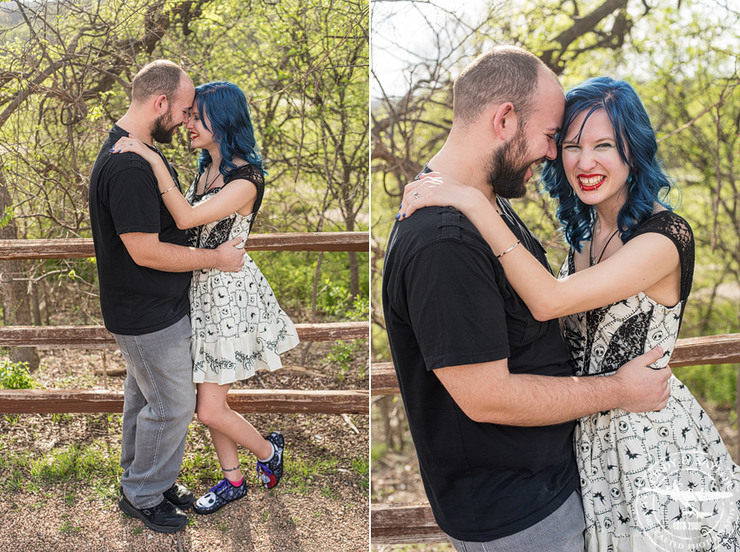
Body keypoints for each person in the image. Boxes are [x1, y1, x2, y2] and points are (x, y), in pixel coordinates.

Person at [400, 77, 740, 550]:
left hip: (647, 436)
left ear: (633, 151)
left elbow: (549, 301)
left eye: (604, 145)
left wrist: (473, 202)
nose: (585, 161)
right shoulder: (584, 231)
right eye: (572, 144)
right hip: (586, 440)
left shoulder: (663, 238)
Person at [111, 81, 300, 515]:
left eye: (198, 115)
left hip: (229, 299)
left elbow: (187, 215)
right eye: (188, 113)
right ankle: (233, 479)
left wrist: (148, 156)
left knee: (209, 409)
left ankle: (269, 452)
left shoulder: (246, 179)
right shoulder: (205, 169)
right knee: (207, 399)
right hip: (199, 291)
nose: (188, 122)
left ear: (226, 119)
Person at [89, 61, 246, 533]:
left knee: (144, 401)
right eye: (181, 110)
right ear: (160, 104)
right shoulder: (130, 164)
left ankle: (145, 480)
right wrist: (215, 260)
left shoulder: (139, 152)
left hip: (154, 307)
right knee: (172, 406)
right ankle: (141, 495)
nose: (184, 120)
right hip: (146, 312)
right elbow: (145, 250)